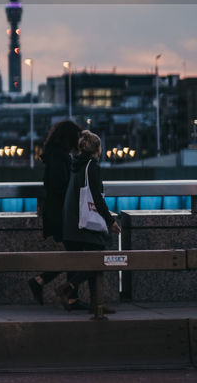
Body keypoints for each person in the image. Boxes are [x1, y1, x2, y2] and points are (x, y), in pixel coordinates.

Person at [60, 129, 121, 313]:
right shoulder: (92, 166)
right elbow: (96, 197)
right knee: (98, 257)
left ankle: (96, 303)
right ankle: (69, 287)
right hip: (85, 221)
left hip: (73, 219)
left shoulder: (76, 164)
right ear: (97, 148)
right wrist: (110, 221)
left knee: (94, 257)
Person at [27, 120, 82, 305]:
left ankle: (41, 282)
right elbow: (62, 186)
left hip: (56, 212)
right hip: (63, 214)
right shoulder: (61, 157)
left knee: (74, 253)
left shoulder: (53, 155)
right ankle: (70, 297)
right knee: (77, 254)